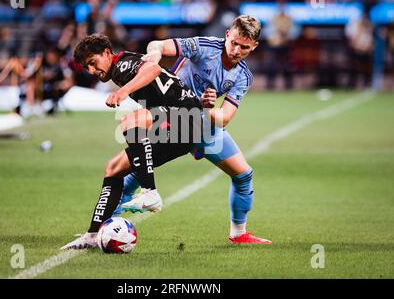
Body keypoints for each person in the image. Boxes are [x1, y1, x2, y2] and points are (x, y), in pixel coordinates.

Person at [118, 15, 272, 245]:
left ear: (254, 46)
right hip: (174, 116)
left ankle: (239, 234)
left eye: (245, 47)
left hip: (204, 123)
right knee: (138, 167)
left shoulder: (243, 76)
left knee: (243, 175)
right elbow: (158, 44)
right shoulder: (205, 46)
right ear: (228, 34)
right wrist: (155, 54)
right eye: (235, 43)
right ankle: (105, 223)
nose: (237, 50)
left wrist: (209, 109)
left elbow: (225, 118)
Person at [60, 33, 209, 249]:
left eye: (93, 62)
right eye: (87, 67)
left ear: (107, 53)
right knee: (113, 168)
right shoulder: (118, 69)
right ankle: (93, 234)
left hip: (188, 119)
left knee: (130, 122)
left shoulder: (122, 64)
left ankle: (150, 193)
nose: (91, 70)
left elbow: (154, 69)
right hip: (177, 126)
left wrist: (123, 91)